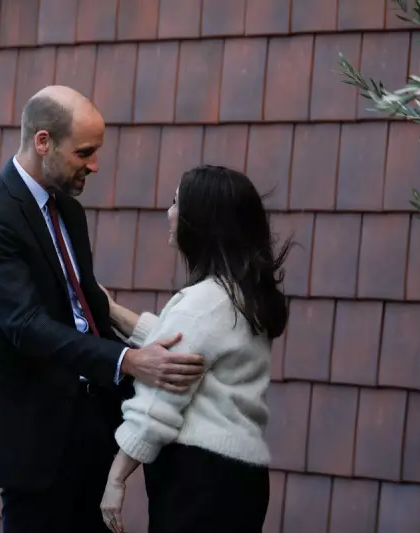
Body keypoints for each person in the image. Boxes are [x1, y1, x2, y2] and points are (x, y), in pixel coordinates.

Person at [0, 85, 205, 533]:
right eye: (85, 152)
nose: (94, 164)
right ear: (43, 141)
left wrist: (150, 341)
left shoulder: (69, 210)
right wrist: (130, 361)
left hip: (93, 422)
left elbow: (89, 305)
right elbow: (27, 326)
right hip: (33, 436)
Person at [97, 165, 291, 533]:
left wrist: (116, 479)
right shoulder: (241, 294)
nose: (168, 213)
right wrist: (114, 314)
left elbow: (158, 402)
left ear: (200, 220)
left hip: (199, 481)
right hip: (243, 477)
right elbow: (186, 344)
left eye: (175, 203)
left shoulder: (202, 304)